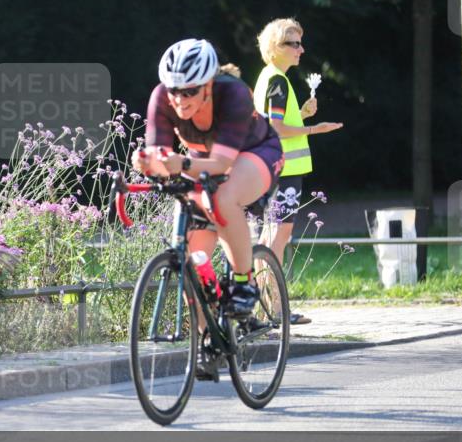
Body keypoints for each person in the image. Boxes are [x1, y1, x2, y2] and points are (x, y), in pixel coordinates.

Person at [132, 38, 285, 323]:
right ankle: (207, 346)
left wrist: (181, 164)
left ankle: (244, 283)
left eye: (190, 91)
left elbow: (221, 165)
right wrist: (145, 162)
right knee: (190, 261)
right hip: (201, 160)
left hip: (254, 152)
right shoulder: (161, 98)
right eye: (175, 90)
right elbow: (160, 158)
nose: (180, 99)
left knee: (222, 196)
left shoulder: (233, 93)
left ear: (209, 85)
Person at [253, 18, 343, 325]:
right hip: (285, 171)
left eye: (300, 43)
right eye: (294, 44)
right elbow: (276, 128)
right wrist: (315, 127)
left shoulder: (270, 77)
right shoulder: (278, 80)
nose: (301, 50)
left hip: (272, 169)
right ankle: (276, 309)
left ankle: (264, 306)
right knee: (278, 237)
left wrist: (301, 115)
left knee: (269, 238)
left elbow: (272, 121)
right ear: (275, 48)